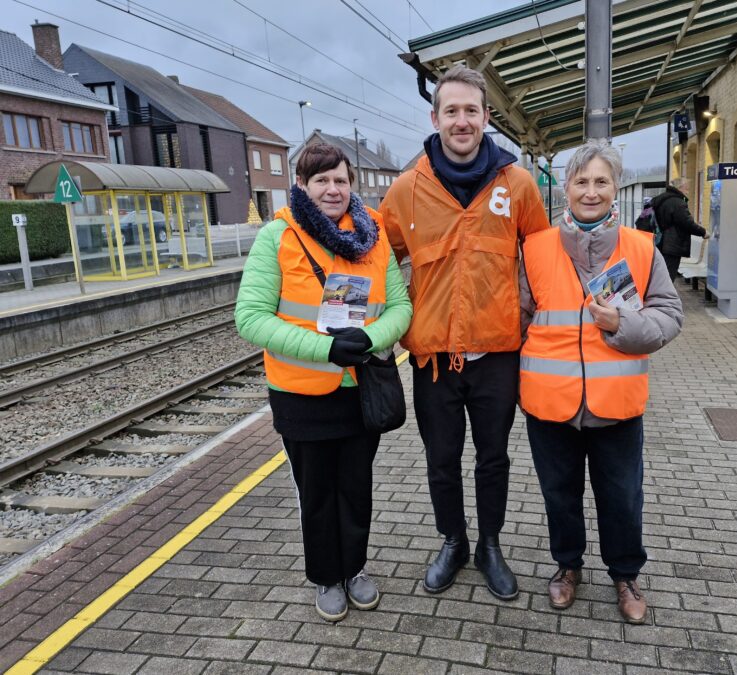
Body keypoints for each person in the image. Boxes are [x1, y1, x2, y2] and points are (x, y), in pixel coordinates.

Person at [380, 65, 550, 600]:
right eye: (450, 111)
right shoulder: (407, 190)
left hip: (499, 354)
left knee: (494, 457)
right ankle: (452, 540)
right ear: (435, 117)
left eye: (470, 111)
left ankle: (490, 544)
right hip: (433, 359)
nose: (461, 120)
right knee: (441, 459)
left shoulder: (517, 184)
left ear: (486, 117)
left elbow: (543, 261)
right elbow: (375, 260)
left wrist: (536, 320)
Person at [235, 143, 411, 623]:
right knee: (316, 492)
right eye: (321, 181)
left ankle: (354, 568)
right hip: (301, 395)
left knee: (356, 487)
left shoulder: (372, 236)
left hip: (361, 392)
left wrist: (371, 336)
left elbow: (400, 306)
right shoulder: (278, 237)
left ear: (350, 184)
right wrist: (326, 348)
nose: (332, 189)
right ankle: (326, 577)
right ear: (303, 186)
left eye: (340, 180)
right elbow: (249, 318)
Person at [519, 139, 683, 623]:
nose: (591, 192)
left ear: (616, 189)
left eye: (601, 182)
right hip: (550, 405)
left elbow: (670, 316)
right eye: (581, 181)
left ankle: (625, 574)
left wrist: (622, 326)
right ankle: (567, 566)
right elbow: (517, 320)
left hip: (617, 404)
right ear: (566, 187)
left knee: (622, 496)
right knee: (559, 494)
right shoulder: (535, 248)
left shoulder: (640, 247)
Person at [652, 178, 707, 280]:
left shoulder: (659, 199)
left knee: (660, 274)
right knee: (668, 277)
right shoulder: (678, 202)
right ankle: (665, 295)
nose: (688, 191)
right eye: (687, 188)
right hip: (672, 245)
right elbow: (687, 223)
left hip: (658, 242)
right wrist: (703, 232)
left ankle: (660, 294)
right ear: (680, 188)